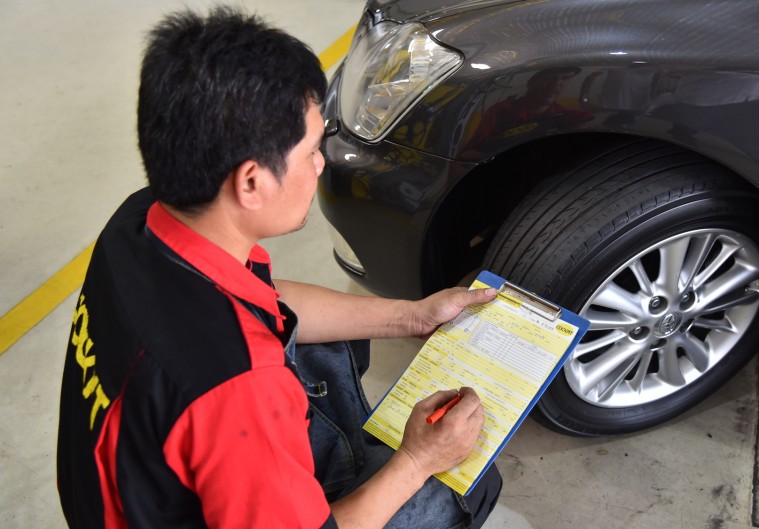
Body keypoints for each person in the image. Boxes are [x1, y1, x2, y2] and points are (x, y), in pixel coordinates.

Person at [56, 6, 501, 529]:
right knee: (463, 487)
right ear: (251, 182)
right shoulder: (234, 387)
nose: (321, 163)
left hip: (132, 485)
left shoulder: (142, 219)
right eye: (312, 150)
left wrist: (415, 316)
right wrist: (418, 460)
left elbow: (272, 299)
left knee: (323, 346)